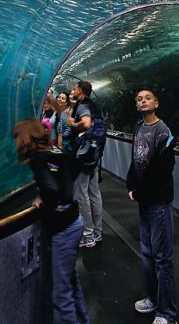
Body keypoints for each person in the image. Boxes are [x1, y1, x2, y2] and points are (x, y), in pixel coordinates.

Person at [13, 118, 89, 324]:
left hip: (63, 228)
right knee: (71, 283)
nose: (16, 142)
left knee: (61, 295)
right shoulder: (55, 151)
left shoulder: (37, 159)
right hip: (74, 220)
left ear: (26, 138)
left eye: (17, 137)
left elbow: (51, 189)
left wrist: (43, 200)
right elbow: (75, 167)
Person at [127, 89, 178, 324]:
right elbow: (135, 161)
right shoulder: (139, 127)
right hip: (144, 201)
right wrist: (131, 184)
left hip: (158, 201)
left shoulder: (163, 131)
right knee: (147, 254)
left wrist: (140, 191)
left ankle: (167, 312)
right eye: (139, 99)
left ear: (156, 103)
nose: (143, 101)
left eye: (147, 98)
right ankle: (153, 298)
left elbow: (161, 169)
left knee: (162, 258)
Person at [67, 80, 103, 248]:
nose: (73, 91)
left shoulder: (82, 105)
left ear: (80, 91)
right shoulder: (93, 104)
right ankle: (97, 232)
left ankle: (88, 235)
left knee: (81, 194)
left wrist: (73, 124)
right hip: (94, 154)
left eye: (75, 88)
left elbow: (86, 123)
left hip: (83, 155)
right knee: (94, 193)